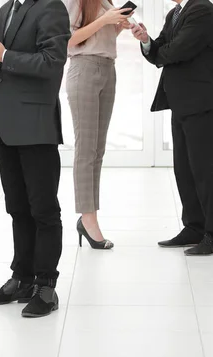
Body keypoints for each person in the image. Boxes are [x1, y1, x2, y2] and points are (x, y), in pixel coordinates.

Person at [0, 0, 70, 317]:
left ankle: (45, 286)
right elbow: (4, 65)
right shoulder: (6, 9)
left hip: (37, 125)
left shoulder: (52, 7)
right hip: (7, 125)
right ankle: (22, 279)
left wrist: (5, 56)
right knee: (18, 209)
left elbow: (52, 63)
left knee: (43, 210)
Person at [131, 0, 213, 256]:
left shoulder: (201, 9)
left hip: (202, 101)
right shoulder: (175, 13)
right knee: (184, 169)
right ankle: (195, 227)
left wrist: (160, 51)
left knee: (204, 170)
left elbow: (176, 51)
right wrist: (146, 40)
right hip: (182, 101)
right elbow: (159, 51)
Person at [65, 0, 133, 249]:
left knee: (98, 150)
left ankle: (89, 216)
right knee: (86, 150)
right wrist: (104, 20)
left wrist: (118, 26)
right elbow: (68, 40)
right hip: (84, 69)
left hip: (107, 69)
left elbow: (98, 36)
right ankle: (88, 217)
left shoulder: (106, 1)